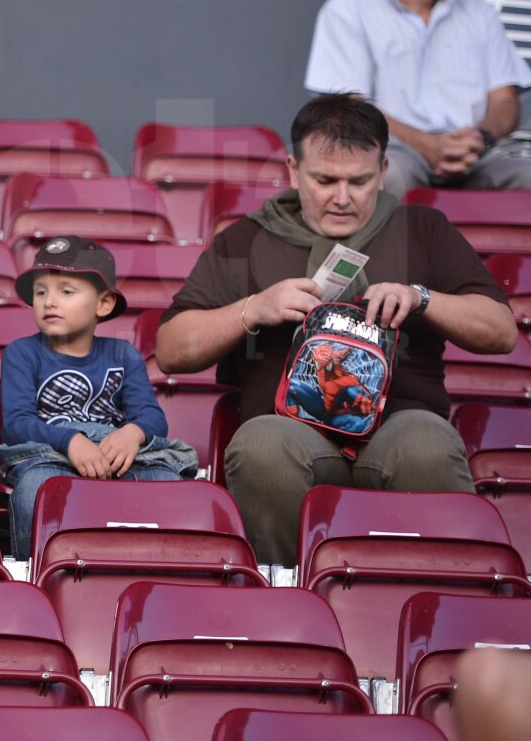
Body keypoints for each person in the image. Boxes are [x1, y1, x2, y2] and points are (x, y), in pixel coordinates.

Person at [156, 93, 517, 567]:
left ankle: (444, 605)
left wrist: (421, 298)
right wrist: (253, 308)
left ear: (385, 171)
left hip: (400, 425)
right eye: (324, 180)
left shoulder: (423, 229)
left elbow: (501, 331)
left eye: (360, 181)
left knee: (427, 444)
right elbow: (170, 349)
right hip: (288, 430)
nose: (342, 198)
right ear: (292, 170)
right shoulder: (246, 238)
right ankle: (288, 598)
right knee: (262, 446)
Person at [305, 0, 531, 199]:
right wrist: (427, 145)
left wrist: (481, 138)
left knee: (526, 172)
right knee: (386, 176)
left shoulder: (480, 14)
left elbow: (504, 100)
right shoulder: (348, 11)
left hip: (478, 155)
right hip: (394, 150)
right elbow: (348, 108)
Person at [0, 235, 194, 561]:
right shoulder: (22, 353)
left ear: (103, 304)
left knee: (168, 482)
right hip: (49, 458)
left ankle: (158, 570)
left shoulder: (123, 354)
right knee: (35, 490)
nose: (50, 302)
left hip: (115, 459)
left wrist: (132, 433)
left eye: (66, 292)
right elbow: (17, 425)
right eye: (41, 292)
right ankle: (36, 573)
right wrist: (71, 440)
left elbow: (153, 417)